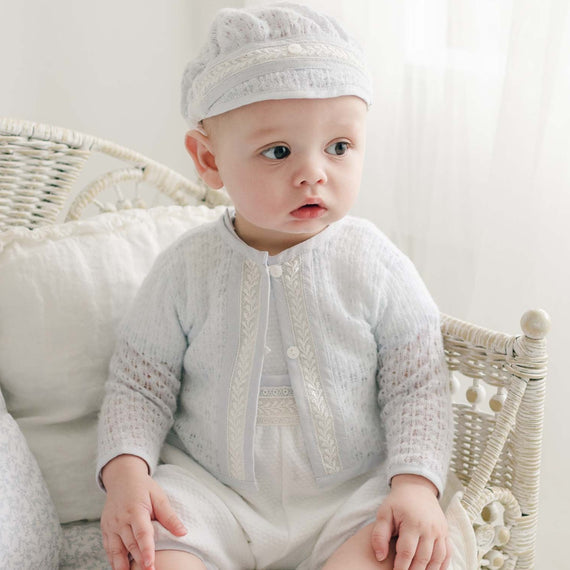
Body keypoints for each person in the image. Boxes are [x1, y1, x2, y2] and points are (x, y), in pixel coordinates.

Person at [97, 3, 454, 570]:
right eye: (279, 151)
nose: (314, 171)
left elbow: (418, 386)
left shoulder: (375, 263)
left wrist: (415, 485)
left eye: (339, 147)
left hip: (350, 496)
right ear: (209, 160)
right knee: (157, 558)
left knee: (394, 552)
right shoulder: (186, 269)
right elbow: (140, 386)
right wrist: (126, 475)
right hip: (213, 496)